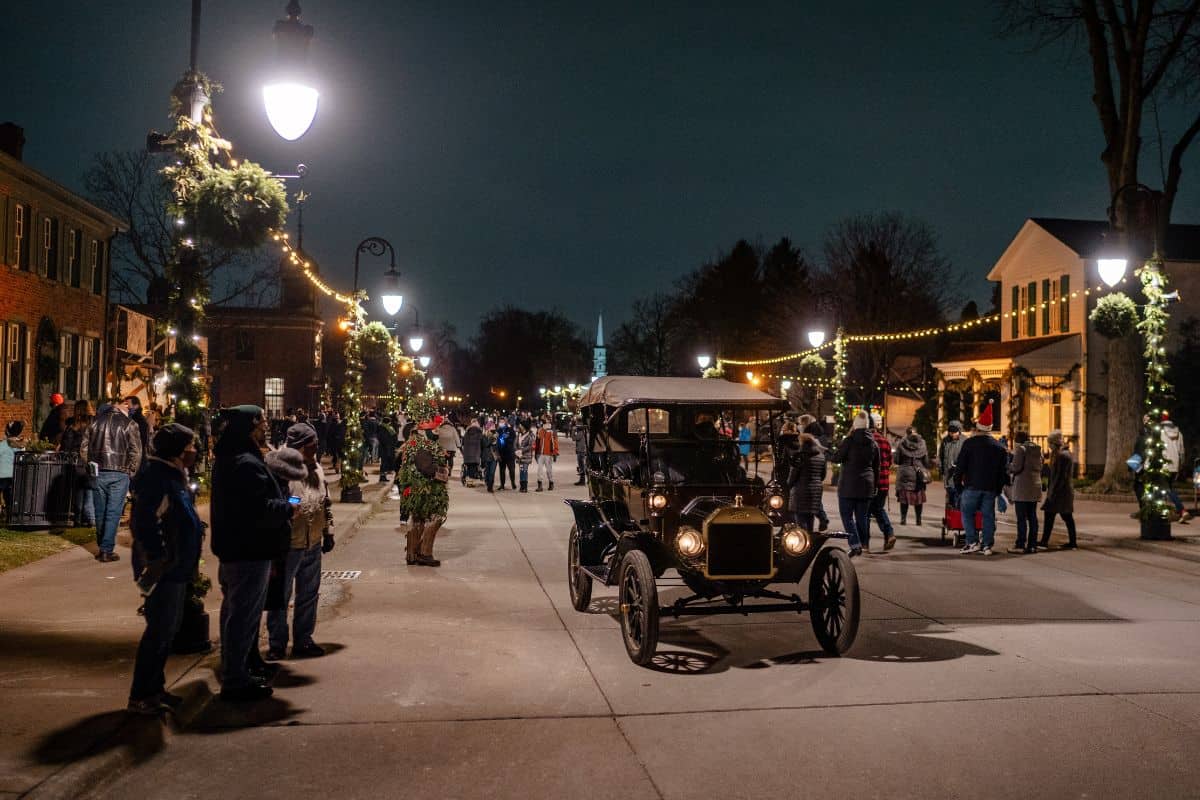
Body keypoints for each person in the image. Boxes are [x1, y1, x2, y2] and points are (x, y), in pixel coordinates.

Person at [210, 405, 294, 702]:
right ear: (249, 425)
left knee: (236, 613)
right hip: (248, 549)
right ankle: (235, 679)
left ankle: (238, 668)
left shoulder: (231, 457)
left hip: (237, 548)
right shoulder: (244, 463)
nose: (265, 426)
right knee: (243, 616)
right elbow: (258, 508)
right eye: (261, 421)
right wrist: (289, 505)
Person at [126, 424, 203, 715]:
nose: (195, 450)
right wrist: (158, 558)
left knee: (168, 631)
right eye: (191, 445)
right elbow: (145, 523)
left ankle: (155, 689)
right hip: (164, 569)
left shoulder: (174, 476)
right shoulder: (159, 479)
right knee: (158, 632)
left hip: (177, 566)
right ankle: (141, 695)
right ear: (178, 450)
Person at [265, 424, 332, 661]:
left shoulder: (315, 467)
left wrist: (328, 530)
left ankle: (303, 639)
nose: (317, 447)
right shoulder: (280, 468)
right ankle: (277, 643)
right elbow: (279, 501)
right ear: (302, 446)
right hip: (288, 542)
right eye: (313, 444)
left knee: (308, 594)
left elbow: (325, 499)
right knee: (280, 596)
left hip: (312, 539)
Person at [82, 398, 143, 563]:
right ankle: (106, 550)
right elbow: (136, 451)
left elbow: (84, 449)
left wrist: (89, 464)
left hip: (98, 471)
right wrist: (132, 470)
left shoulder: (94, 423)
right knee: (113, 512)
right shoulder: (129, 424)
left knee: (100, 511)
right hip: (120, 472)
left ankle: (103, 545)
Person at [953, 402, 1007, 555]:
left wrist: (958, 485)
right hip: (990, 488)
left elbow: (960, 466)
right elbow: (1003, 472)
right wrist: (998, 489)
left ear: (978, 428)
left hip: (971, 486)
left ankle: (972, 542)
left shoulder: (969, 444)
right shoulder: (999, 448)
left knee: (967, 513)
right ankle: (987, 545)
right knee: (988, 516)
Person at [398, 421, 450, 566]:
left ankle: (412, 554)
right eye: (435, 429)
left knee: (418, 519)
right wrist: (442, 471)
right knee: (436, 518)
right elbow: (426, 468)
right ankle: (425, 553)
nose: (437, 432)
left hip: (418, 489)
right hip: (425, 490)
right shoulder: (422, 446)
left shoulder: (417, 444)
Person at [831, 411, 879, 557]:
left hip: (848, 485)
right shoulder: (873, 443)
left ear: (854, 425)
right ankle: (863, 544)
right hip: (866, 485)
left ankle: (855, 544)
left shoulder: (849, 441)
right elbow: (877, 467)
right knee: (862, 517)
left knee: (846, 516)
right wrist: (874, 485)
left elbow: (836, 458)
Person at [59, 400, 96, 527]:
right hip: (90, 463)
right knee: (89, 492)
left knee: (79, 493)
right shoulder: (93, 425)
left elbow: (67, 446)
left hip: (77, 463)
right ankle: (90, 519)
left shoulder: (73, 427)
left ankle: (79, 519)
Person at [1039, 430, 1078, 550]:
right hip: (1061, 492)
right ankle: (1071, 542)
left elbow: (1060, 476)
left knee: (1061, 516)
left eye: (1050, 442)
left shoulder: (1062, 456)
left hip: (1060, 493)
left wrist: (1052, 492)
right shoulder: (1059, 455)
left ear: (1054, 443)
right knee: (1065, 516)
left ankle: (1045, 541)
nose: (1049, 445)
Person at [1006, 431, 1042, 553]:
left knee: (1021, 517)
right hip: (1035, 486)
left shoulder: (1021, 449)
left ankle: (1020, 544)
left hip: (1022, 488)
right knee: (1032, 516)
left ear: (1017, 440)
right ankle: (1032, 545)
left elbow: (1016, 467)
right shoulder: (1037, 449)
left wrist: (1008, 466)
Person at [786, 425, 827, 532]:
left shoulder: (800, 456)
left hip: (801, 492)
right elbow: (823, 475)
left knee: (801, 522)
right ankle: (810, 544)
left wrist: (788, 486)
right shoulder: (821, 456)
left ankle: (804, 545)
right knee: (810, 519)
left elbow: (793, 477)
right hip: (816, 491)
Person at [867, 413, 897, 551]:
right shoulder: (885, 440)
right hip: (884, 482)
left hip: (869, 482)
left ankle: (864, 542)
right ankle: (889, 534)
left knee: (865, 512)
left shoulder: (867, 440)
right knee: (878, 509)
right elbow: (890, 461)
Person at [798, 416, 831, 531]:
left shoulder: (809, 435)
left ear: (804, 424)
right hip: (817, 472)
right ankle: (822, 518)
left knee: (808, 504)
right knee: (814, 500)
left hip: (808, 475)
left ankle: (819, 521)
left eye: (800, 424)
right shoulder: (820, 432)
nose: (799, 427)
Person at [894, 426, 930, 526]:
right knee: (918, 499)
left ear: (907, 433)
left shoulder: (902, 443)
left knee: (904, 498)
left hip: (904, 473)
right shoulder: (922, 443)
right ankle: (918, 520)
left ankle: (903, 519)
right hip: (918, 474)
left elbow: (897, 460)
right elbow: (926, 461)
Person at [1161, 415, 1191, 522]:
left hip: (1163, 465)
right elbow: (1182, 452)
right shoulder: (1179, 434)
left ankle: (1182, 510)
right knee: (1167, 488)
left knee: (1167, 489)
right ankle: (1168, 512)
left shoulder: (1161, 433)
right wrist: (1180, 466)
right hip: (1175, 465)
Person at [0, 421, 26, 522]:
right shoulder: (21, 446)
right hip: (14, 475)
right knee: (9, 496)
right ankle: (9, 516)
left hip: (2, 475)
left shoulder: (2, 444)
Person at [939, 420, 965, 509]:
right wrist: (941, 468)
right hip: (948, 474)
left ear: (959, 431)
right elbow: (941, 456)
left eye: (955, 432)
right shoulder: (945, 441)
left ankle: (958, 517)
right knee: (950, 496)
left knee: (959, 496)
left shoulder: (965, 441)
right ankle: (950, 516)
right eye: (951, 432)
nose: (952, 434)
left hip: (960, 474)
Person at [535, 419, 559, 491]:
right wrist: (536, 453)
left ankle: (551, 482)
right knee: (539, 470)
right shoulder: (540, 430)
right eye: (545, 422)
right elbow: (537, 441)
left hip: (549, 454)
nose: (546, 424)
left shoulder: (552, 432)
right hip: (541, 454)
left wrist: (555, 453)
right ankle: (540, 485)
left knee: (549, 470)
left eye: (548, 422)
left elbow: (555, 443)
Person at [436, 416, 462, 480]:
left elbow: (436, 437)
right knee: (450, 459)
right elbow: (456, 437)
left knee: (444, 460)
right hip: (451, 447)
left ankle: (445, 472)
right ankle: (449, 472)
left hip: (442, 447)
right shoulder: (452, 428)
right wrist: (459, 445)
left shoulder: (440, 428)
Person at [127, 396, 150, 464]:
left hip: (136, 454)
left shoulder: (138, 419)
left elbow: (142, 438)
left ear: (136, 406)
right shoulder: (131, 417)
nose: (126, 407)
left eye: (128, 404)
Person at [495, 418, 517, 491]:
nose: (501, 423)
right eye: (500, 422)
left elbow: (513, 438)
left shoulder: (510, 430)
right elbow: (496, 441)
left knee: (511, 470)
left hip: (509, 453)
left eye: (502, 422)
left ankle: (513, 483)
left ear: (505, 422)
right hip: (501, 453)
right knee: (501, 470)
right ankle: (502, 485)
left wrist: (507, 438)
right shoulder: (498, 431)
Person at [461, 418, 482, 487]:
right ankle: (471, 482)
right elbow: (483, 444)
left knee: (469, 467)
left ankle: (469, 480)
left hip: (467, 455)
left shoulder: (467, 432)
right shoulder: (479, 433)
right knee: (473, 468)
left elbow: (462, 443)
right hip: (475, 455)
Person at [516, 420, 535, 492]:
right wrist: (516, 450)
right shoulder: (519, 434)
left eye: (520, 425)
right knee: (521, 471)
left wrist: (522, 450)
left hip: (526, 456)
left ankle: (525, 487)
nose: (519, 426)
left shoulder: (530, 435)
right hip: (519, 456)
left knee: (525, 470)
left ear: (524, 426)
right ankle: (521, 486)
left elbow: (531, 446)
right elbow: (515, 443)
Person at [480, 421, 498, 493]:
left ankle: (490, 487)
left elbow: (498, 446)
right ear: (488, 428)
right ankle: (487, 482)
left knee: (492, 473)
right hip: (487, 457)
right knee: (487, 472)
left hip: (494, 457)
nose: (493, 429)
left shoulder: (496, 436)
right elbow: (485, 445)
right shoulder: (484, 436)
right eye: (491, 427)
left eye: (494, 427)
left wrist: (498, 440)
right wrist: (492, 439)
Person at [571, 416, 587, 485]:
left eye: (576, 422)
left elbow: (574, 438)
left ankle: (582, 481)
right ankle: (582, 480)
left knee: (581, 466)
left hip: (581, 450)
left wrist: (573, 430)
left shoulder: (580, 432)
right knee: (582, 465)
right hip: (582, 450)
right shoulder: (583, 431)